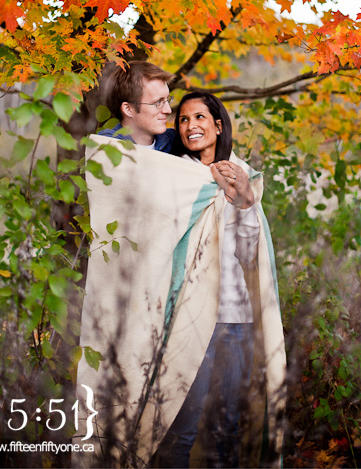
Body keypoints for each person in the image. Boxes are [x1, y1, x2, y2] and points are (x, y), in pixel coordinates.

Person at [154, 92, 261, 468]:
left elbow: (251, 255)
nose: (190, 126)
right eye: (182, 120)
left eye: (200, 117)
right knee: (178, 430)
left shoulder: (241, 172)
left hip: (234, 318)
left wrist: (244, 199)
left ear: (218, 125)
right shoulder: (171, 174)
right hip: (185, 316)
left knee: (226, 428)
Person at [98, 60, 177, 151]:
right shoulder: (107, 146)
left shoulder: (174, 141)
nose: (168, 110)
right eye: (157, 102)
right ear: (128, 109)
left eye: (167, 99)